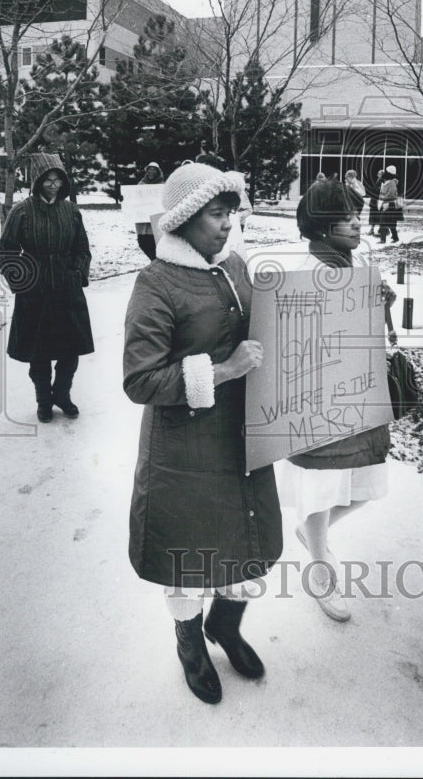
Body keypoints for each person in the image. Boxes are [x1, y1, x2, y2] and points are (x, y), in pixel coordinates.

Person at [123, 162, 283, 705]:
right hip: (184, 449)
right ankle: (190, 645)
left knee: (247, 542)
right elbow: (140, 379)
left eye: (231, 212)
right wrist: (220, 371)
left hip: (241, 437)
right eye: (218, 213)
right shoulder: (156, 282)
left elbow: (261, 331)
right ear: (185, 220)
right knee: (188, 554)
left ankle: (226, 626)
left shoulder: (234, 265)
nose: (228, 223)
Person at [276, 178, 395, 622]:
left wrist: (378, 300)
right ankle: (321, 570)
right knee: (321, 487)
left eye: (356, 213)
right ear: (324, 227)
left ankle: (314, 536)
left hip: (357, 392)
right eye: (347, 217)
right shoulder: (308, 271)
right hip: (319, 401)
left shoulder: (352, 259)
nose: (357, 221)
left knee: (365, 484)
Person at [0, 153, 94, 423]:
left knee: (70, 350)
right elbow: (6, 252)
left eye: (57, 180)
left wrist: (76, 274)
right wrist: (23, 282)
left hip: (67, 289)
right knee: (39, 353)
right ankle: (43, 401)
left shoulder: (71, 211)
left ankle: (61, 394)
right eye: (47, 180)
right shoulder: (22, 211)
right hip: (35, 291)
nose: (53, 185)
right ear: (37, 182)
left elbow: (82, 249)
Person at [135, 161, 165, 261]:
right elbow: (134, 199)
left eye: (154, 170)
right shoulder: (141, 184)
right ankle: (154, 260)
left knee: (156, 241)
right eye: (149, 170)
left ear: (158, 172)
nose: (151, 172)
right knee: (143, 242)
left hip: (156, 218)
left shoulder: (162, 185)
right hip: (143, 218)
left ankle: (156, 261)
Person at [377, 165, 403, 244]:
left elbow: (390, 194)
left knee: (384, 222)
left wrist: (382, 197)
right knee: (390, 222)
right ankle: (394, 237)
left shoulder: (391, 183)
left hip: (389, 204)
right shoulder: (387, 182)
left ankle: (383, 239)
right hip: (387, 204)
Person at [367, 168, 385, 236]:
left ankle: (379, 229)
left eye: (379, 174)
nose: (377, 175)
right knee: (374, 216)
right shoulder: (378, 180)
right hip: (374, 201)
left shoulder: (382, 182)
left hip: (377, 201)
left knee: (378, 216)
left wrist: (372, 191)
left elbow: (379, 191)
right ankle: (373, 229)